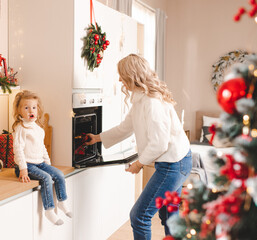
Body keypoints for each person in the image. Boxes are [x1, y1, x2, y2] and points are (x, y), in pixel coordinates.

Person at [86, 54, 192, 239]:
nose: (119, 79)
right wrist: (97, 138)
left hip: (173, 165)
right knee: (169, 215)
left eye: (121, 75)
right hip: (178, 161)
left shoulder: (151, 102)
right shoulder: (140, 99)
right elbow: (125, 128)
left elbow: (159, 143)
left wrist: (139, 163)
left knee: (139, 216)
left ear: (132, 75)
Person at [12, 90, 72, 225]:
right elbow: (18, 149)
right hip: (27, 165)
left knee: (59, 174)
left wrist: (48, 163)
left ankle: (62, 202)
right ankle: (49, 210)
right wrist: (23, 169)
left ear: (38, 109)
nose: (30, 110)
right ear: (19, 110)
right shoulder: (20, 128)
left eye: (33, 107)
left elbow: (42, 147)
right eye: (26, 108)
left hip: (40, 163)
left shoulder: (38, 128)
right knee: (47, 178)